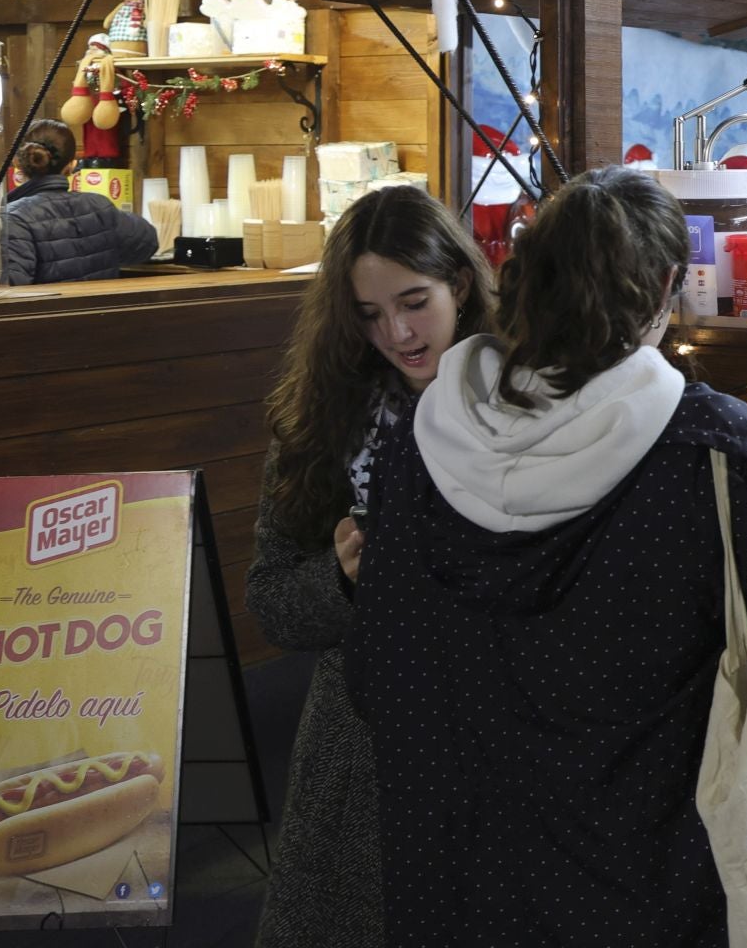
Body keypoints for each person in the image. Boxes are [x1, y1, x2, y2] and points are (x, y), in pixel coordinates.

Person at [346, 165, 747, 946]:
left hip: (460, 889)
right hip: (649, 890)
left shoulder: (419, 448)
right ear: (665, 286)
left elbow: (374, 680)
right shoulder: (710, 453)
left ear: (519, 278)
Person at [247, 185, 494, 948]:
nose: (398, 333)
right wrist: (341, 576)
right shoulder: (320, 419)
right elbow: (271, 600)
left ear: (459, 284)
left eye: (415, 302)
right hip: (358, 751)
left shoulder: (527, 402)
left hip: (495, 738)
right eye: (369, 314)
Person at [3, 119, 156, 284]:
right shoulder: (99, 206)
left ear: (17, 163)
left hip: (48, 303)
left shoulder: (13, 218)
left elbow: (9, 286)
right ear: (72, 165)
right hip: (100, 301)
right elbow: (148, 243)